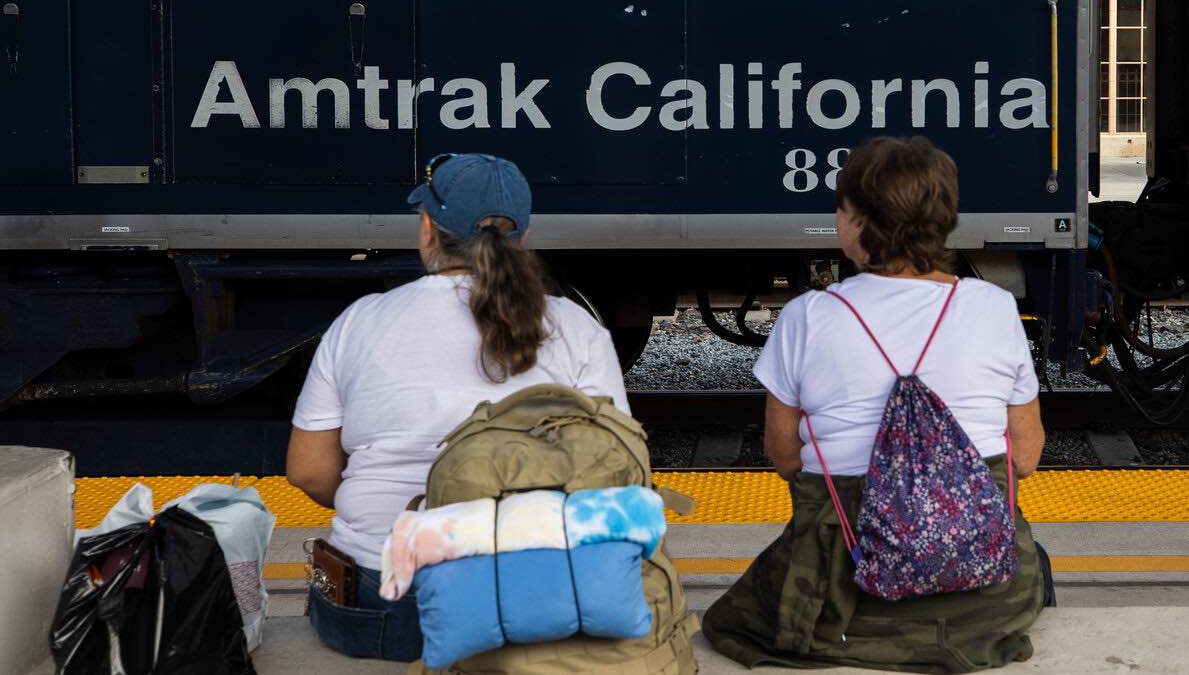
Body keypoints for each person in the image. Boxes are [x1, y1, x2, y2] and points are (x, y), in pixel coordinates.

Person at [703, 136, 1048, 672]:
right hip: (986, 597)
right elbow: (1024, 456)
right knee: (1036, 560)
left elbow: (785, 456)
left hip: (836, 598)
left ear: (860, 223)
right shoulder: (994, 308)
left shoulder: (807, 317)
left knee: (726, 620)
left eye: (841, 208)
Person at [286, 152, 631, 661]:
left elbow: (309, 472)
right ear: (524, 237)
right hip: (531, 603)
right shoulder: (574, 328)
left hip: (380, 604)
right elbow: (615, 473)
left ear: (428, 229)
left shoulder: (359, 321)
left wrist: (380, 508)